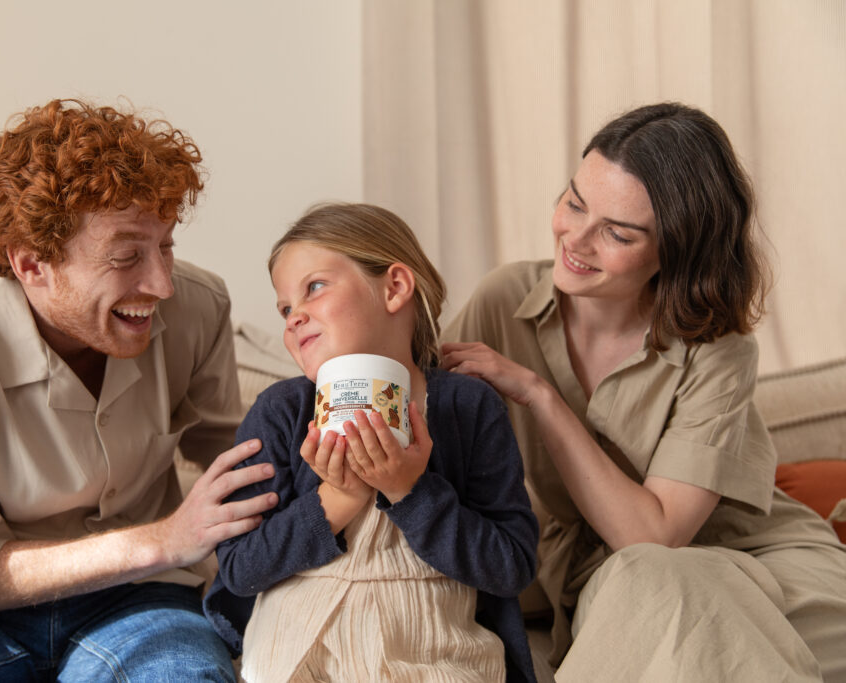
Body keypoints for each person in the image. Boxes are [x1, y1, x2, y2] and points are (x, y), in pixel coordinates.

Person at [0, 99, 277, 682]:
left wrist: (409, 370)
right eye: (127, 255)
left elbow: (248, 458)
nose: (161, 283)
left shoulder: (198, 307)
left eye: (166, 245)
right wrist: (166, 539)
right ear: (33, 263)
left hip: (137, 606)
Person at [441, 102, 846, 682]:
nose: (576, 239)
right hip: (624, 578)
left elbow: (653, 536)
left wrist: (541, 397)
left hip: (765, 563)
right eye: (575, 202)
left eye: (617, 233)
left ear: (673, 252)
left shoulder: (719, 350)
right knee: (653, 596)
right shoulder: (504, 300)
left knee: (665, 593)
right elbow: (411, 410)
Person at [203, 203, 539, 682]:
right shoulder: (279, 412)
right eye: (285, 309)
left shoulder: (469, 407)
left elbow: (512, 565)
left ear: (395, 288)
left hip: (433, 650)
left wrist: (411, 493)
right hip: (300, 648)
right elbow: (239, 567)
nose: (294, 317)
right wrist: (334, 500)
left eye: (313, 288)